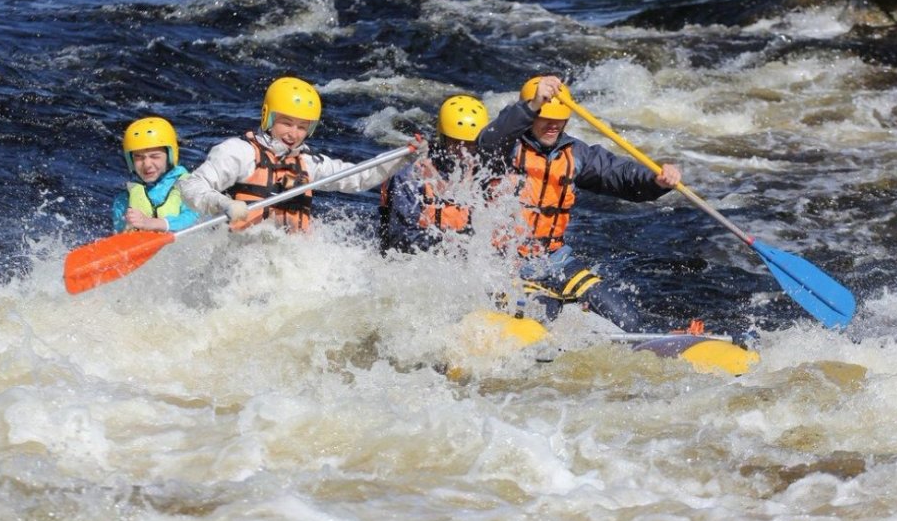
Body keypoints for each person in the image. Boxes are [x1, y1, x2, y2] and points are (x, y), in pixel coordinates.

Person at [476, 74, 683, 333]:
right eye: (545, 118)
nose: (553, 126)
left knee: (627, 320)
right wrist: (531, 106)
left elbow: (618, 174)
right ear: (532, 116)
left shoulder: (576, 153)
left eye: (559, 120)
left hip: (555, 260)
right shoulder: (505, 150)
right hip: (509, 266)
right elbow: (488, 140)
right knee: (544, 315)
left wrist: (656, 180)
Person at [179, 76, 418, 231]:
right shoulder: (238, 152)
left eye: (302, 127)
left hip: (289, 263)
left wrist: (402, 157)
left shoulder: (308, 163)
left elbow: (357, 178)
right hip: (239, 259)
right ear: (268, 117)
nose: (293, 134)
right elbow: (192, 186)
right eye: (286, 122)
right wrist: (222, 203)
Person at [379, 94, 491, 253]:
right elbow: (401, 239)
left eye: (470, 144)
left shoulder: (482, 176)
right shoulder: (410, 176)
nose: (463, 150)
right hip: (409, 263)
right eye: (456, 142)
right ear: (443, 138)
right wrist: (455, 246)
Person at [112, 116, 200, 233]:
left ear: (170, 156)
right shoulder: (124, 199)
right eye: (138, 157)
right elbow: (118, 237)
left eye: (155, 156)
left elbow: (194, 219)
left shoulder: (188, 185)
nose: (147, 164)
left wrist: (153, 223)